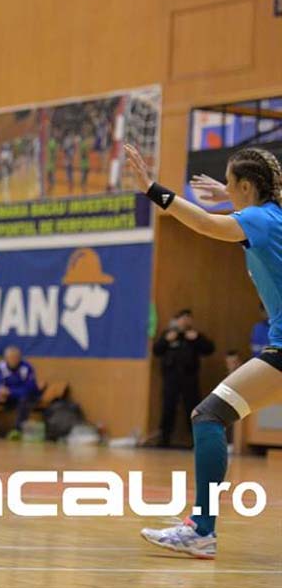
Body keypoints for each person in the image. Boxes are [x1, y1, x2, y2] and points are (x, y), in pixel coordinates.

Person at [126, 144, 282, 559]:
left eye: (231, 183)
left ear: (246, 187)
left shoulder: (258, 220)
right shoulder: (271, 216)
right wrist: (230, 196)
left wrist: (153, 189)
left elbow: (206, 224)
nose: (225, 188)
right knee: (212, 415)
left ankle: (202, 529)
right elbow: (241, 212)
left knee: (209, 415)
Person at [152, 309, 215, 447]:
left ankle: (196, 440)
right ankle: (164, 439)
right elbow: (156, 350)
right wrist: (166, 340)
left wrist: (197, 339)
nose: (185, 321)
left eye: (188, 318)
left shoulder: (194, 335)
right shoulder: (169, 334)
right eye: (183, 318)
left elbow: (209, 349)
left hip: (189, 378)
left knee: (192, 409)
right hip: (171, 378)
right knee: (168, 408)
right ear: (177, 320)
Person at [0, 346, 40, 440]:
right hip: (7, 397)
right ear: (6, 358)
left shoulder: (26, 368)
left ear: (20, 358)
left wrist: (10, 392)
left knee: (24, 400)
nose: (13, 360)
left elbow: (29, 389)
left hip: (24, 397)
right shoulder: (1, 367)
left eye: (16, 357)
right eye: (10, 358)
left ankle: (17, 431)